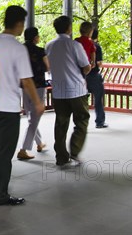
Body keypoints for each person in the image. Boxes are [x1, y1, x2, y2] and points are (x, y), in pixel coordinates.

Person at [0, 5, 45, 206]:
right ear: (19, 23)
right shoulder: (17, 48)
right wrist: (37, 102)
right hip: (8, 108)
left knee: (0, 148)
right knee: (4, 153)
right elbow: (26, 80)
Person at [46, 16, 91, 168]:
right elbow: (86, 66)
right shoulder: (74, 45)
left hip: (58, 90)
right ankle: (75, 150)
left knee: (61, 123)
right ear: (69, 28)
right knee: (82, 119)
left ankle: (61, 157)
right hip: (76, 90)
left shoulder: (49, 45)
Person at [17, 27, 50, 160]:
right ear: (35, 37)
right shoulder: (40, 51)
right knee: (34, 118)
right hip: (38, 86)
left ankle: (39, 143)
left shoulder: (20, 50)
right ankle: (23, 149)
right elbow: (48, 67)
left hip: (24, 86)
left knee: (31, 116)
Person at [86, 29, 108, 128]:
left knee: (83, 100)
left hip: (83, 76)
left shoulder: (82, 45)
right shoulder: (96, 46)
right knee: (98, 99)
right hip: (94, 75)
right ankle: (99, 122)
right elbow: (99, 63)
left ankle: (83, 123)